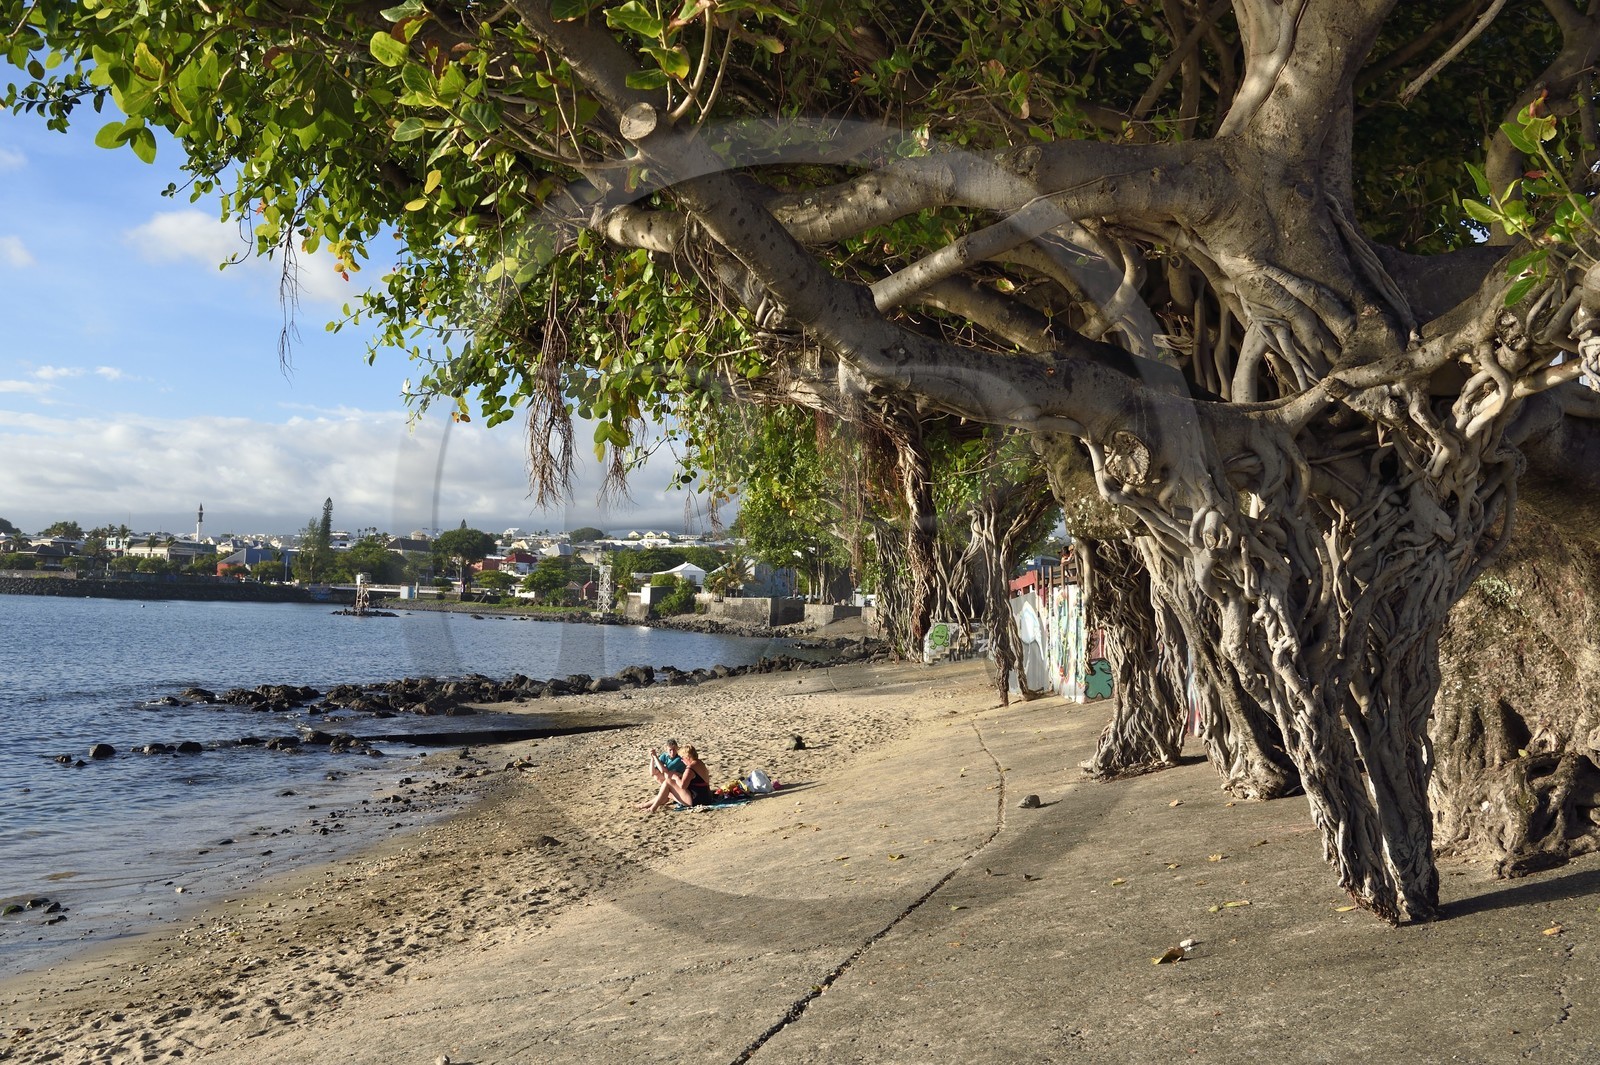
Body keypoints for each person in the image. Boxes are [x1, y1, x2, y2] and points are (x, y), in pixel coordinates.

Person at [638, 743, 713, 815]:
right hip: (706, 796)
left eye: (682, 758)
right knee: (666, 792)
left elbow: (683, 786)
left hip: (697, 799)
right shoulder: (699, 763)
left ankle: (652, 809)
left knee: (667, 782)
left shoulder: (690, 768)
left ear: (687, 757)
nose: (682, 760)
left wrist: (676, 777)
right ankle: (644, 805)